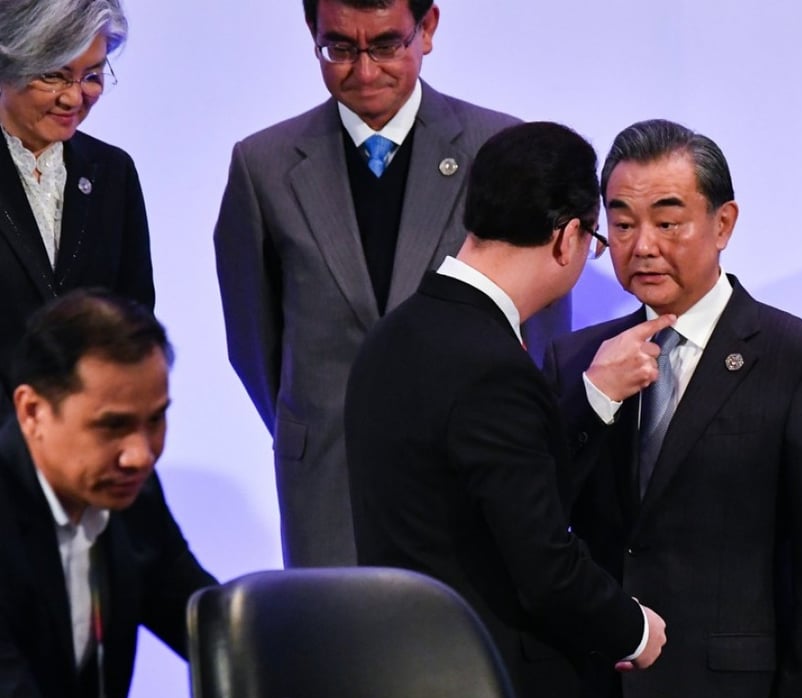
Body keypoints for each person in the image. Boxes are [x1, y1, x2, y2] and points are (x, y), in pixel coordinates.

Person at [213, 0, 570, 568]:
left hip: (468, 479)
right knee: (334, 650)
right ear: (312, 33)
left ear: (426, 29)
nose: (364, 70)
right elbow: (254, 342)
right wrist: (313, 420)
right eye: (339, 48)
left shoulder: (499, 149)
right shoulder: (263, 166)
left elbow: (543, 335)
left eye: (385, 45)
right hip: (327, 482)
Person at [544, 119, 802, 698]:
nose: (641, 246)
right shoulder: (576, 360)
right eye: (621, 223)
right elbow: (538, 518)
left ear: (723, 224)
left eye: (668, 222)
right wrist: (592, 400)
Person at [345, 122, 667, 698]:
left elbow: (480, 496)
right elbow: (544, 567)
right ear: (568, 237)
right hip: (486, 688)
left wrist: (592, 398)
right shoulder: (492, 366)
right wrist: (633, 629)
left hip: (402, 676)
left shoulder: (392, 336)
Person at [0, 290, 216, 698]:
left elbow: (212, 629)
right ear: (32, 411)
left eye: (155, 420)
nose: (140, 455)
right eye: (112, 426)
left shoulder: (130, 496)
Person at [0, 0, 153, 421]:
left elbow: (133, 324)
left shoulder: (113, 173)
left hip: (87, 449)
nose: (74, 97)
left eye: (92, 75)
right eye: (54, 75)